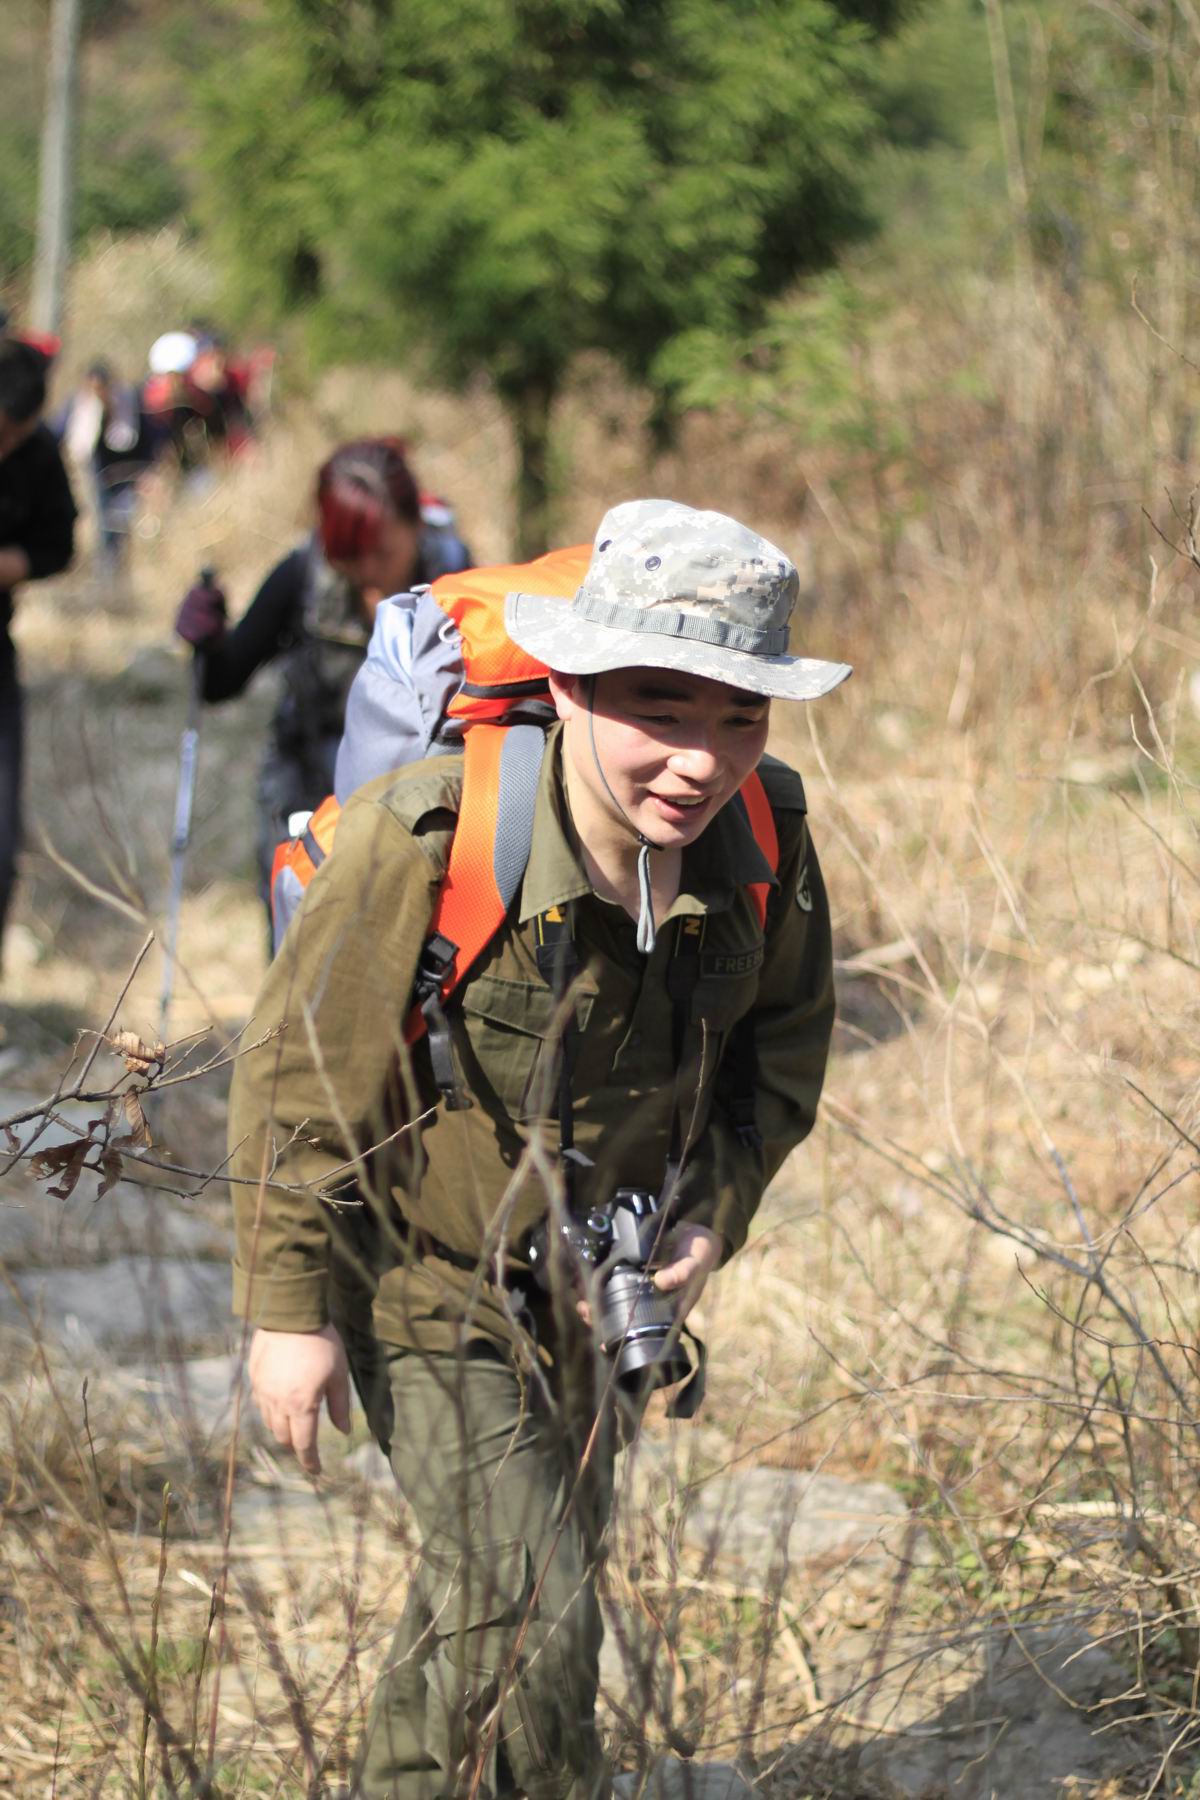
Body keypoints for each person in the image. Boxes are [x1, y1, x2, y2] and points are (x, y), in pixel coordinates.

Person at [226, 497, 850, 1797]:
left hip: (600, 1298)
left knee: (503, 1604)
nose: (702, 758)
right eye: (660, 709)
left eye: (742, 713)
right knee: (533, 1599)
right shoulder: (432, 839)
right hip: (422, 1279)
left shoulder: (768, 834)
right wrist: (288, 1314)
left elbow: (779, 1057)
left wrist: (707, 1217)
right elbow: (297, 1085)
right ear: (567, 685)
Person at [173, 436, 471, 902]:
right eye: (352, 561)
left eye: (384, 555)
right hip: (309, 796)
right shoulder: (302, 577)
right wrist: (207, 637)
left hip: (425, 806)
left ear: (416, 525)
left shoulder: (457, 578)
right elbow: (220, 681)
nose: (370, 577)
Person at [0, 339, 77, 972]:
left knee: (2, 838)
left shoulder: (39, 453)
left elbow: (60, 542)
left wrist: (13, 564)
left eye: (14, 438)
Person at [56, 360, 151, 570]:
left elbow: (145, 439)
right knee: (102, 527)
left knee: (123, 522)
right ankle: (106, 572)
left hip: (127, 474)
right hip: (94, 476)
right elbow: (58, 434)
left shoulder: (129, 402)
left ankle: (120, 568)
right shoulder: (77, 406)